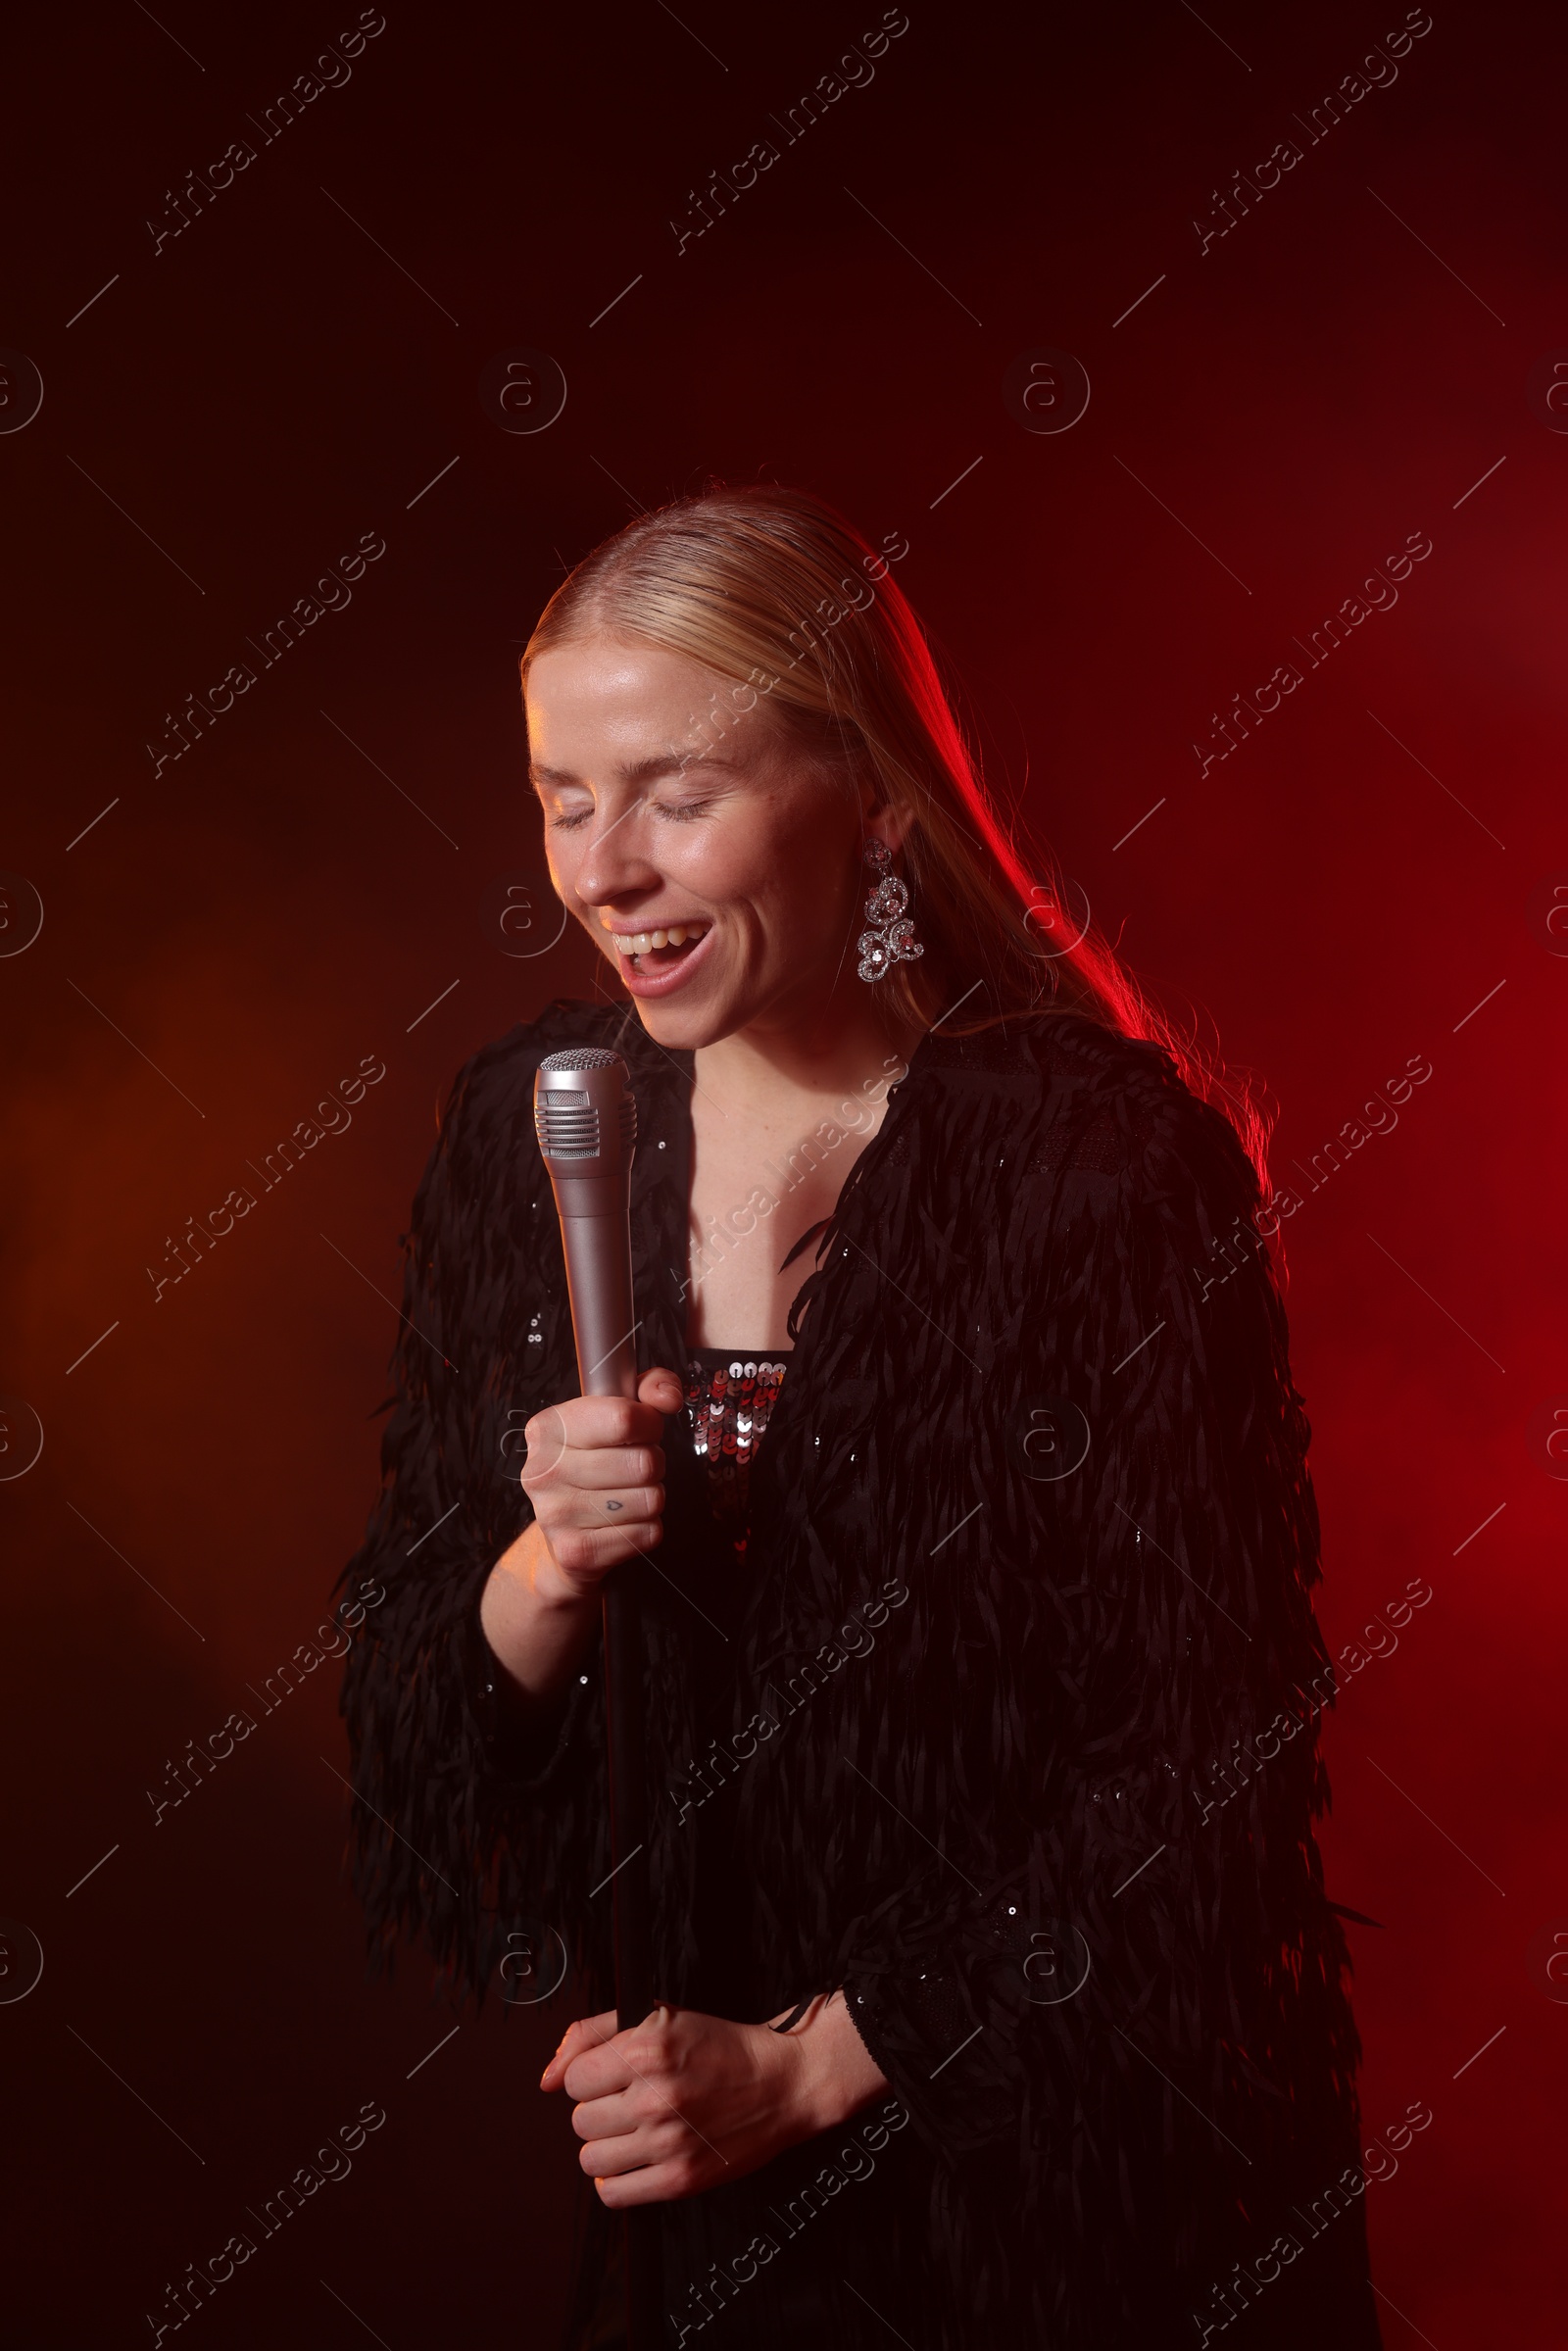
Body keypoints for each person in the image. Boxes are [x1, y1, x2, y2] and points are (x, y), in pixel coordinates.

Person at [336, 485, 1383, 2348]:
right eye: (566, 800)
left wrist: (821, 2066)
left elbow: (1208, 1770)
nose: (605, 870)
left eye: (676, 791)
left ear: (874, 798)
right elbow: (420, 1734)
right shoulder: (530, 1136)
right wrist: (549, 1559)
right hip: (707, 2243)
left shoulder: (1095, 1169)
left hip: (1071, 2206)